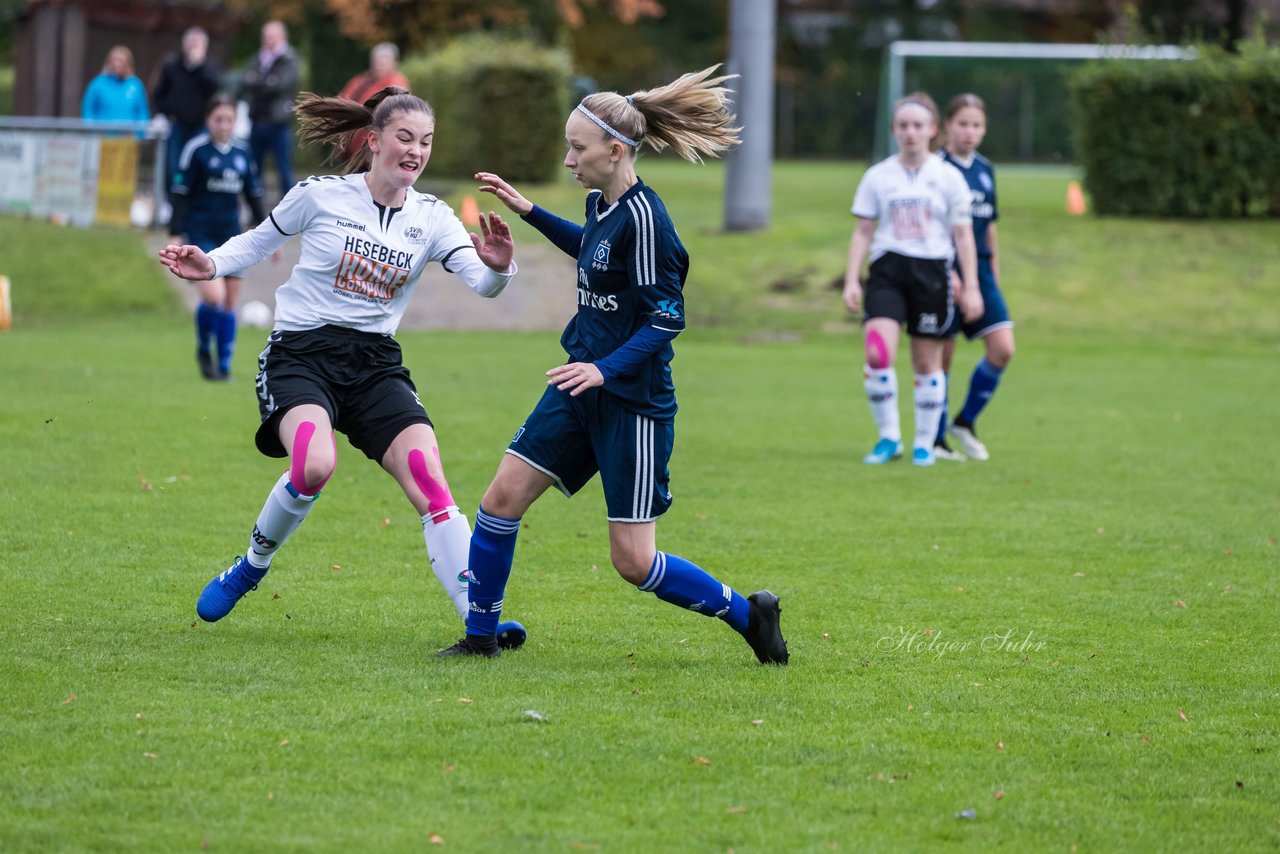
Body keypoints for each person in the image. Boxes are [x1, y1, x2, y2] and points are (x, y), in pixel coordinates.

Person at [436, 66, 789, 664]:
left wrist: (605, 370)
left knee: (633, 562)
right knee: (499, 502)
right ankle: (480, 638)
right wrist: (530, 211)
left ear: (615, 150)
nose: (569, 159)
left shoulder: (650, 219)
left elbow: (667, 318)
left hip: (632, 403)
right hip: (580, 386)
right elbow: (595, 251)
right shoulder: (603, 203)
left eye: (577, 148)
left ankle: (749, 614)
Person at [157, 87, 526, 649]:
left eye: (426, 142)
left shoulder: (432, 218)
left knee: (431, 481)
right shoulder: (320, 196)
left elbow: (484, 284)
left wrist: (499, 267)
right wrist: (209, 263)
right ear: (374, 141)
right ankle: (251, 566)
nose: (416, 151)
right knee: (313, 465)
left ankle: (480, 621)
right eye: (405, 138)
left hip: (376, 363)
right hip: (301, 354)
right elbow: (256, 244)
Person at [842, 93, 983, 467]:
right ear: (894, 130)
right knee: (877, 352)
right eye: (903, 125)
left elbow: (964, 236)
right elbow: (862, 231)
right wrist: (852, 280)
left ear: (933, 130)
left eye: (918, 125)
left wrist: (970, 287)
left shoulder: (948, 178)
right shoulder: (878, 176)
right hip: (888, 269)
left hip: (933, 272)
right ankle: (889, 437)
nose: (910, 132)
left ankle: (923, 442)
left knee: (926, 362)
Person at [932, 93, 1014, 462]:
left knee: (1003, 348)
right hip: (939, 268)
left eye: (977, 125)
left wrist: (990, 275)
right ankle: (935, 439)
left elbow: (989, 226)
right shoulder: (935, 168)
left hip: (979, 270)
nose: (970, 131)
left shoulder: (984, 168)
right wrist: (952, 274)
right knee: (941, 356)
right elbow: (930, 226)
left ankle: (964, 422)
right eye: (963, 123)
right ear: (948, 125)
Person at [169, 94, 266, 380]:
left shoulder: (243, 153)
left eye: (229, 120)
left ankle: (223, 368)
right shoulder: (196, 150)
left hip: (232, 235)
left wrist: (267, 237)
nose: (224, 125)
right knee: (215, 296)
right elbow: (180, 194)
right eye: (218, 119)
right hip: (200, 234)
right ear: (208, 120)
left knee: (229, 303)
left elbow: (254, 195)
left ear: (236, 122)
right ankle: (203, 348)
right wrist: (175, 233)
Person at [152, 27, 224, 210]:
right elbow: (159, 94)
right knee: (174, 166)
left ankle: (196, 203)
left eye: (198, 44)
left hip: (201, 126)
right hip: (178, 125)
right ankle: (172, 204)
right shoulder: (172, 66)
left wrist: (200, 66)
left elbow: (214, 88)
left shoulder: (211, 66)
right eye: (191, 44)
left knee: (199, 164)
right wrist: (169, 112)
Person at [239, 20, 300, 197]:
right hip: (257, 119)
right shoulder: (257, 58)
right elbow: (245, 82)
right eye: (265, 36)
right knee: (253, 168)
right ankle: (255, 208)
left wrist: (258, 82)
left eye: (271, 36)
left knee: (284, 168)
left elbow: (281, 85)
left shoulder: (290, 58)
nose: (268, 40)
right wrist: (267, 82)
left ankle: (289, 210)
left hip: (279, 121)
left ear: (282, 37)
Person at [338, 43, 411, 161]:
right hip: (354, 147)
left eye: (384, 59)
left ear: (394, 63)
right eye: (376, 59)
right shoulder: (360, 81)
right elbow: (343, 100)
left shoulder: (397, 83)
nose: (379, 63)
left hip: (377, 148)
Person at [81, 45, 150, 128]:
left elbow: (142, 113)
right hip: (103, 136)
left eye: (121, 61)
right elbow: (88, 109)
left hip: (128, 136)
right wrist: (91, 129)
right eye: (115, 61)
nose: (118, 64)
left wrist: (140, 133)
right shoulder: (98, 83)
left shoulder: (135, 85)